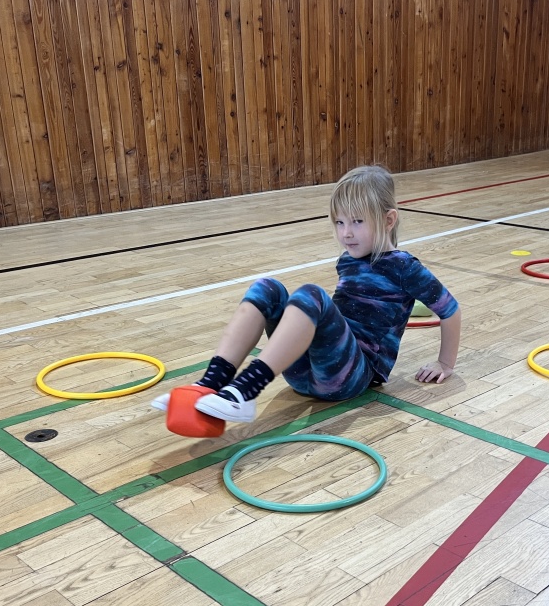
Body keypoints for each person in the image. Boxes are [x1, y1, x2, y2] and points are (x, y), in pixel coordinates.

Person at [152, 165, 461, 425]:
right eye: (339, 222)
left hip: (352, 377)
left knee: (312, 294)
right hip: (307, 375)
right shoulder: (348, 260)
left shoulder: (404, 266)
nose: (346, 233)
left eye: (357, 221)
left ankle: (245, 390)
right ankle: (211, 383)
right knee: (267, 287)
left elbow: (450, 310)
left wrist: (444, 363)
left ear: (388, 220)